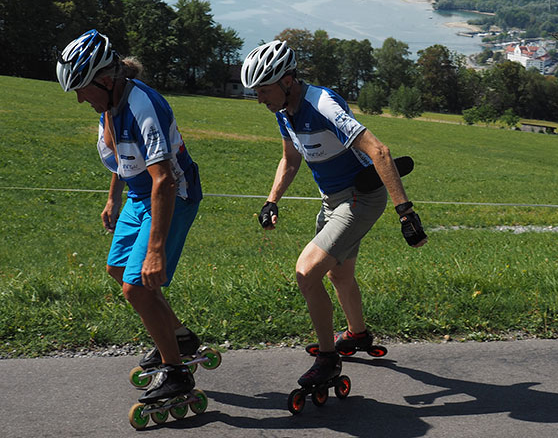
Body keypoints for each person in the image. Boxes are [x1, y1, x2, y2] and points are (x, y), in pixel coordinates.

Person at [240, 40, 427, 387]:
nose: (260, 99)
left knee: (306, 273)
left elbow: (380, 151)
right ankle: (357, 334)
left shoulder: (322, 104)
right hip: (332, 201)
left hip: (360, 197)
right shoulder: (284, 112)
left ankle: (328, 359)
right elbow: (291, 159)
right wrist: (272, 200)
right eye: (256, 92)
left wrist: (406, 213)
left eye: (263, 90)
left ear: (287, 80)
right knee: (338, 275)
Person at [56, 29, 203, 404]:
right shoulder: (108, 105)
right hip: (139, 196)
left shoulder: (142, 106)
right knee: (119, 270)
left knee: (137, 287)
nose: (78, 98)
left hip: (171, 195)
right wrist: (112, 199)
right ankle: (180, 338)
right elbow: (121, 158)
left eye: (82, 88)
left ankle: (176, 374)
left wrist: (156, 251)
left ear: (106, 80)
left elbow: (165, 180)